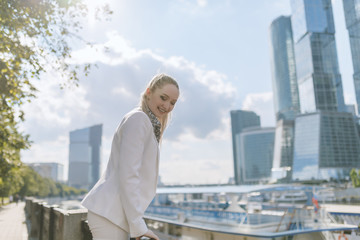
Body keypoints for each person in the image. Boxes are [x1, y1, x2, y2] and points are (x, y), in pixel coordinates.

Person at [81, 73, 180, 240]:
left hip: (113, 215)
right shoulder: (139, 119)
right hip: (109, 214)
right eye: (163, 98)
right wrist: (138, 224)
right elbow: (129, 174)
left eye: (172, 102)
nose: (167, 105)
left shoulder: (145, 122)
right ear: (149, 92)